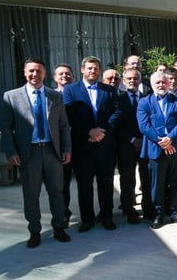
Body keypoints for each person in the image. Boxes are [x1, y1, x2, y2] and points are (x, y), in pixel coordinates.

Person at [1, 58, 72, 247]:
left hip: (51, 151)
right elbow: (6, 128)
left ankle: (59, 227)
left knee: (57, 192)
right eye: (31, 71)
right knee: (31, 194)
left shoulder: (55, 96)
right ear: (25, 72)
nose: (35, 74)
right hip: (28, 153)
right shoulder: (11, 96)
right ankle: (34, 231)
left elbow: (64, 126)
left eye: (39, 71)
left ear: (45, 73)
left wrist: (66, 148)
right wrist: (11, 152)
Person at [64, 56, 122, 232]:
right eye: (89, 68)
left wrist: (101, 131)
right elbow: (70, 115)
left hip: (105, 145)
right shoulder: (71, 90)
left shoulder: (109, 90)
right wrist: (89, 131)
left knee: (106, 183)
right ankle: (87, 219)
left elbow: (117, 112)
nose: (93, 71)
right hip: (83, 145)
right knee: (84, 185)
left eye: (96, 68)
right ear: (82, 69)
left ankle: (106, 217)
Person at [137, 71, 177, 229]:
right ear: (152, 84)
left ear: (168, 84)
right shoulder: (145, 102)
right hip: (156, 149)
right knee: (157, 185)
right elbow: (144, 126)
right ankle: (158, 214)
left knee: (176, 182)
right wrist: (163, 142)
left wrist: (170, 138)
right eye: (158, 82)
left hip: (176, 148)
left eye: (164, 82)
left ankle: (175, 213)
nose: (161, 85)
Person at [118, 69, 153, 224]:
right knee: (127, 178)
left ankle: (148, 208)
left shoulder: (147, 98)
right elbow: (117, 124)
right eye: (129, 78)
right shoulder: (119, 99)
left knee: (146, 177)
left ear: (140, 80)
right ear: (124, 81)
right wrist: (132, 139)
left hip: (146, 144)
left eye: (135, 78)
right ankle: (129, 209)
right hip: (126, 145)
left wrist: (143, 139)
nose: (132, 80)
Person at [53, 63, 75, 226]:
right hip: (60, 147)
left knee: (85, 182)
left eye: (67, 74)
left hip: (81, 144)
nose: (64, 76)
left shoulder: (78, 94)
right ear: (55, 78)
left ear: (73, 77)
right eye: (61, 74)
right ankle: (63, 213)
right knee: (62, 183)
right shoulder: (50, 96)